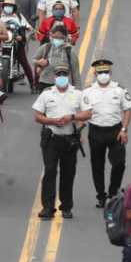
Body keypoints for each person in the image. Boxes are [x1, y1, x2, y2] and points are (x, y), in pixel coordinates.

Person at [31, 65, 86, 219]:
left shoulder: (77, 94)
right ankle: (48, 208)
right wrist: (52, 121)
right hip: (51, 139)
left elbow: (87, 113)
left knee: (68, 173)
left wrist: (73, 119)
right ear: (54, 77)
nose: (61, 77)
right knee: (49, 172)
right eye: (59, 74)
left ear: (68, 76)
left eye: (64, 74)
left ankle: (66, 207)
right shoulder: (46, 94)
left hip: (69, 139)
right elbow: (37, 116)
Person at [79, 58, 131, 208]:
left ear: (110, 73)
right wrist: (80, 130)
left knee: (119, 163)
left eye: (106, 72)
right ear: (95, 73)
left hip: (115, 131)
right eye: (100, 72)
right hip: (96, 131)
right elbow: (83, 113)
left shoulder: (119, 90)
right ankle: (101, 196)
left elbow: (128, 110)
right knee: (97, 165)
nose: (103, 75)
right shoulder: (88, 91)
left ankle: (113, 192)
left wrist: (124, 129)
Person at [0, 0, 36, 90]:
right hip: (1, 42)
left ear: (13, 7)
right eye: (6, 5)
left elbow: (29, 27)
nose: (8, 7)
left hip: (16, 41)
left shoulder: (19, 16)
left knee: (24, 61)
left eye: (10, 6)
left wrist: (29, 30)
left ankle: (33, 84)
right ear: (3, 6)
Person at [34, 24, 81, 93]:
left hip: (64, 84)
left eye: (60, 38)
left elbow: (76, 72)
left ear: (65, 38)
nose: (57, 39)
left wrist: (78, 90)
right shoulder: (45, 47)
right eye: (55, 37)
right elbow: (34, 60)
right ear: (51, 36)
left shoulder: (70, 51)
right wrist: (39, 62)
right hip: (46, 83)